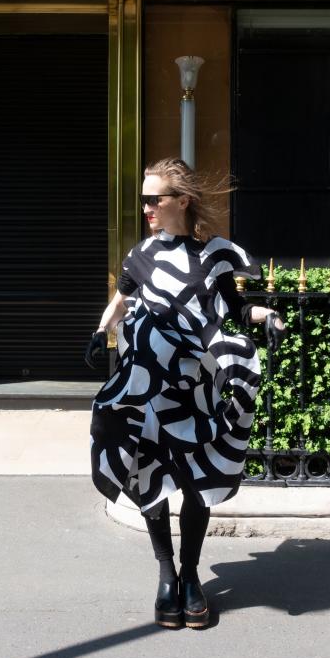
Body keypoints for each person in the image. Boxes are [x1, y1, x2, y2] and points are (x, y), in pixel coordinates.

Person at [86, 157, 285, 630]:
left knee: (196, 483)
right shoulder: (141, 255)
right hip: (146, 393)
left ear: (182, 201)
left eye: (155, 199)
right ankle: (165, 574)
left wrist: (267, 317)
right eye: (144, 200)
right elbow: (124, 297)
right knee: (149, 479)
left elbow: (234, 309)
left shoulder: (210, 255)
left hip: (193, 392)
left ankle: (192, 575)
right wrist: (100, 332)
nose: (147, 208)